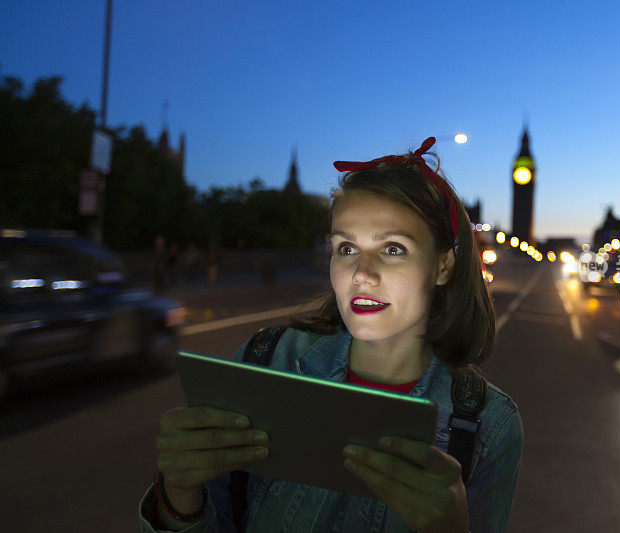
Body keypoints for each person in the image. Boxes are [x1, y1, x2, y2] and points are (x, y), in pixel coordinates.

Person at [139, 137, 524, 532]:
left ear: (442, 267)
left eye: (393, 249)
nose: (361, 273)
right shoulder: (266, 360)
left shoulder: (486, 427)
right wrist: (178, 495)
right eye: (346, 248)